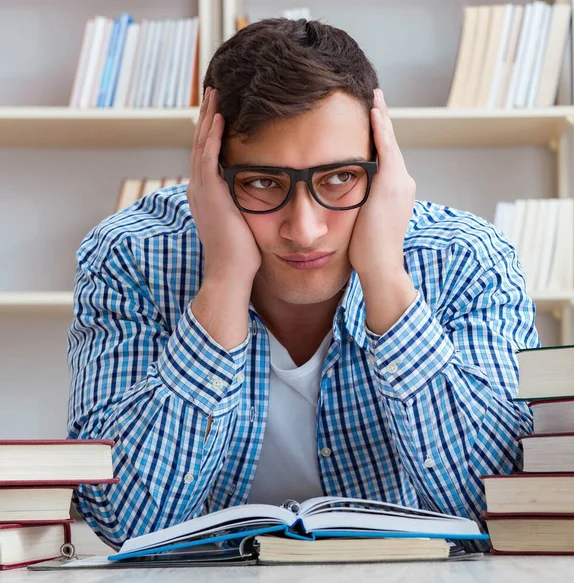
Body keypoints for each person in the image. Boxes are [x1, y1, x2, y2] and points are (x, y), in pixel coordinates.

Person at [67, 18, 539, 550]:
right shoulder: (131, 257)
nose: (305, 229)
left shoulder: (467, 259)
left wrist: (385, 276)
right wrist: (223, 280)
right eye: (263, 182)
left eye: (340, 177)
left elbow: (506, 511)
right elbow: (124, 520)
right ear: (212, 174)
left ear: (382, 166)